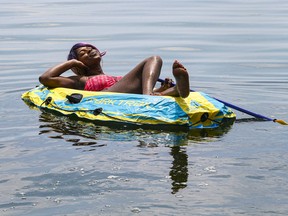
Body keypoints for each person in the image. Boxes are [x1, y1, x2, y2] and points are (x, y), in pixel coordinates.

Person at [39, 42, 190, 98]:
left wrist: (160, 88)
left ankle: (177, 90)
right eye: (82, 53)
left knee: (155, 89)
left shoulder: (111, 77)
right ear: (78, 63)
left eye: (90, 47)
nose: (89, 50)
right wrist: (71, 62)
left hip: (128, 95)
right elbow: (45, 78)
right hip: (107, 97)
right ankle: (150, 95)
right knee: (154, 59)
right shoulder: (80, 80)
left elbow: (128, 89)